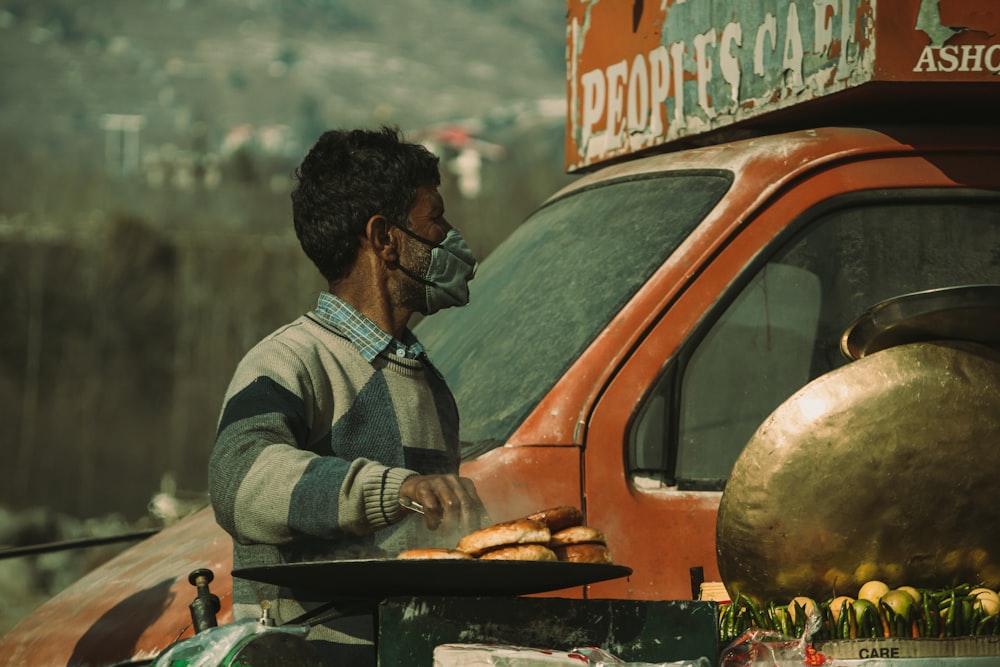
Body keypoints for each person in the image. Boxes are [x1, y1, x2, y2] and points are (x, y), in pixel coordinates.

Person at [208, 126, 488, 663]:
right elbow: (236, 478)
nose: (451, 235)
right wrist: (394, 489)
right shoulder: (290, 361)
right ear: (385, 239)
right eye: (435, 218)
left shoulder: (430, 384)